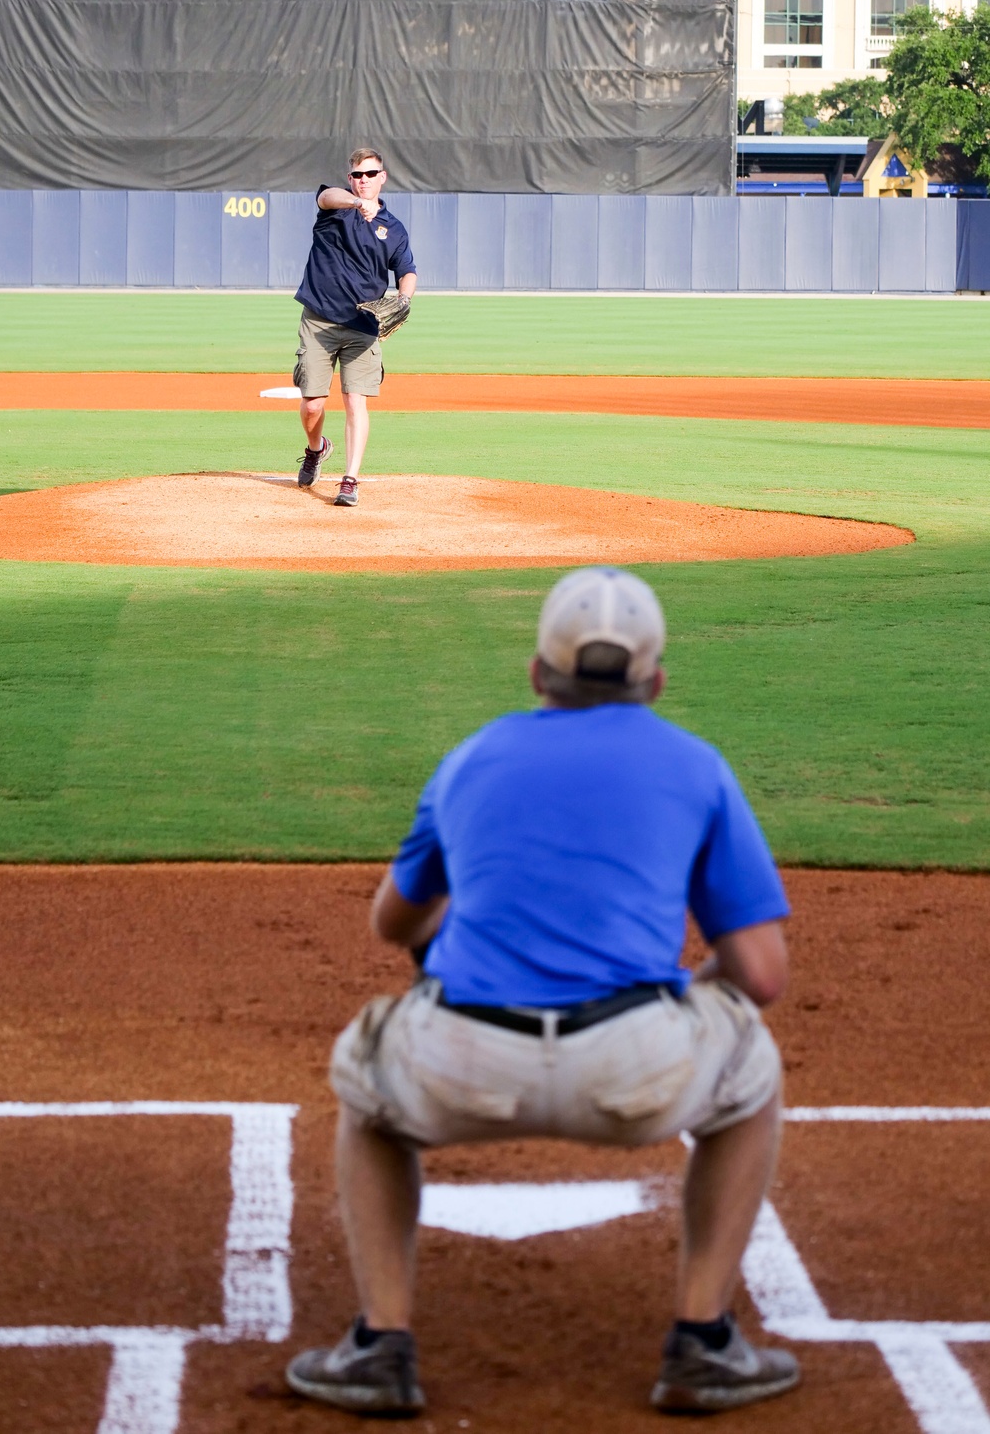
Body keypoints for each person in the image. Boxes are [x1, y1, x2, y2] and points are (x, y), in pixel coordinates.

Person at [286, 566, 800, 1416]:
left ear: (537, 673)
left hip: (462, 1061)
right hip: (636, 1069)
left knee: (367, 1080)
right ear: (656, 679)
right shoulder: (697, 766)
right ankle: (703, 1340)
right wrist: (691, 987)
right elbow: (765, 974)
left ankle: (382, 1343)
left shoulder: (470, 758)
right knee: (752, 1064)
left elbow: (393, 922)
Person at [293, 147, 417, 508]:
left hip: (363, 325)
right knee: (313, 404)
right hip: (319, 319)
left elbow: (406, 270)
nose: (363, 180)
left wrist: (405, 298)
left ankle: (350, 480)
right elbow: (325, 196)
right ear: (350, 178)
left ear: (383, 177)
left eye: (370, 174)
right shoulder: (335, 209)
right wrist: (352, 203)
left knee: (354, 400)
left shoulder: (393, 229)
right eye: (357, 175)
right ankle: (316, 449)